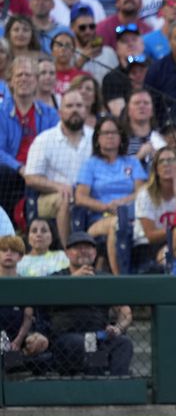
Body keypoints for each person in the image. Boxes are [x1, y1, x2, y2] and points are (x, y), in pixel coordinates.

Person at [48, 232, 133, 376]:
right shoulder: (57, 277)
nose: (83, 251)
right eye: (77, 247)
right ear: (67, 253)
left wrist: (118, 328)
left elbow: (125, 311)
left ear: (95, 253)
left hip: (100, 335)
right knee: (87, 343)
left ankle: (119, 387)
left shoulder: (104, 279)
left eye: (88, 247)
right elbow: (46, 301)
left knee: (124, 343)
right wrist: (73, 279)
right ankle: (95, 385)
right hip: (68, 337)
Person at [74, 116, 147, 274]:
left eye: (114, 132)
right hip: (99, 219)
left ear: (121, 137)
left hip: (130, 215)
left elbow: (141, 192)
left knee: (122, 222)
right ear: (97, 138)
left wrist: (122, 203)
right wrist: (106, 206)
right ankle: (119, 279)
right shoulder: (90, 164)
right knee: (117, 224)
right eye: (105, 133)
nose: (110, 136)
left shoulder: (132, 162)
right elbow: (80, 197)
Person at [24, 89, 93, 246]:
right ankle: (68, 250)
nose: (74, 110)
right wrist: (58, 186)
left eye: (79, 105)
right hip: (50, 197)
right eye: (69, 106)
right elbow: (30, 178)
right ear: (60, 112)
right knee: (65, 198)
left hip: (88, 195)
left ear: (86, 110)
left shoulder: (95, 138)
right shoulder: (44, 140)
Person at [0, 56, 59, 219]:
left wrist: (34, 170)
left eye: (29, 75)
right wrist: (20, 168)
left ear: (36, 81)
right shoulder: (1, 113)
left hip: (42, 171)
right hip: (13, 174)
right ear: (10, 82)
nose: (24, 79)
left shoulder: (51, 114)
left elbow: (57, 146)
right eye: (19, 75)